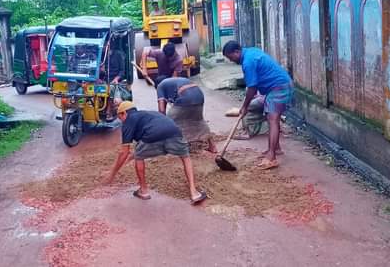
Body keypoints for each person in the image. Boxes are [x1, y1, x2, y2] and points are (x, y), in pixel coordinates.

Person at [102, 101, 207, 205]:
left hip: (152, 136)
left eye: (120, 118)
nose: (121, 122)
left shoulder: (128, 120)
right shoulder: (148, 115)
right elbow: (138, 150)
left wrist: (112, 175)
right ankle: (194, 192)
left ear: (123, 113)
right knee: (185, 157)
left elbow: (124, 153)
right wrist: (128, 160)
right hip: (174, 133)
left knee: (139, 158)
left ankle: (143, 191)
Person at [222, 40, 293, 170]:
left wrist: (244, 107)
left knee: (273, 119)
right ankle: (275, 149)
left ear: (237, 52)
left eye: (231, 57)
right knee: (270, 117)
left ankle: (271, 158)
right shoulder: (250, 52)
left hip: (279, 87)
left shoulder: (248, 62)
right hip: (276, 87)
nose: (231, 60)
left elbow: (252, 88)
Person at [155, 77, 217, 153]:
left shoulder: (160, 86)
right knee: (198, 121)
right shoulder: (172, 81)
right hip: (199, 95)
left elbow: (161, 110)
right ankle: (212, 146)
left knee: (170, 123)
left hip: (185, 97)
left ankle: (172, 147)